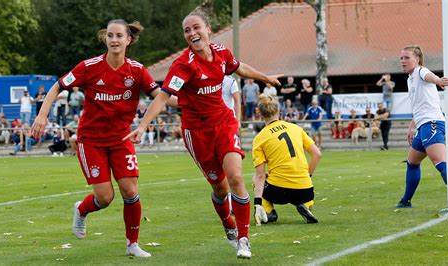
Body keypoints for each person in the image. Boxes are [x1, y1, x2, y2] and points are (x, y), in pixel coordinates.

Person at [124, 10, 281, 259]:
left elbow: (239, 68)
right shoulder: (183, 65)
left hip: (224, 122)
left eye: (196, 27)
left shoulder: (221, 53)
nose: (192, 33)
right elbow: (163, 97)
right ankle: (228, 225)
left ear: (208, 29)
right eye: (187, 30)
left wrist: (266, 78)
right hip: (196, 133)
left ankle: (243, 239)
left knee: (236, 178)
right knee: (220, 189)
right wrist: (143, 126)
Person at [31, 19, 177, 257]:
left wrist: (193, 103)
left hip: (122, 139)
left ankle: (133, 244)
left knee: (130, 191)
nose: (114, 40)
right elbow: (58, 86)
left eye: (119, 35)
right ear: (105, 39)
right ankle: (81, 210)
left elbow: (161, 97)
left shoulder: (137, 70)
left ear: (128, 40)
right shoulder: (89, 67)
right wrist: (42, 114)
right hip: (91, 141)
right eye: (110, 35)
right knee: (105, 197)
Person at [396, 45, 448, 210]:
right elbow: (418, 106)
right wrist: (411, 127)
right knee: (412, 162)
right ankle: (406, 201)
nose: (403, 61)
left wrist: (438, 81)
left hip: (433, 123)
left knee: (440, 162)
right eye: (401, 58)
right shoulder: (410, 79)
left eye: (407, 57)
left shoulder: (421, 71)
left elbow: (429, 76)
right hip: (423, 126)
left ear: (417, 59)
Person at [252, 94, 321, 225]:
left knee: (255, 179)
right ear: (278, 111)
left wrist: (257, 204)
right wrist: (308, 176)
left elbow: (260, 176)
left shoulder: (259, 138)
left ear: (260, 114)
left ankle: (269, 212)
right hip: (305, 190)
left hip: (278, 192)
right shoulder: (296, 128)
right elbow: (317, 154)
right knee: (304, 188)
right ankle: (306, 204)